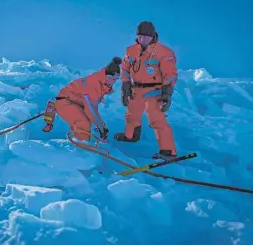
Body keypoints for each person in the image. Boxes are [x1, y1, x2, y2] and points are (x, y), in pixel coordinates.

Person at [114, 21, 178, 159]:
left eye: (146, 37)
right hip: (136, 89)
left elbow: (170, 73)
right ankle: (131, 136)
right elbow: (125, 69)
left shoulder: (164, 52)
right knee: (132, 115)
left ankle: (168, 151)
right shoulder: (130, 51)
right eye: (141, 36)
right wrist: (125, 87)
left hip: (155, 90)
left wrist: (167, 93)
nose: (143, 40)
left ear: (153, 36)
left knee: (156, 118)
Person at [51, 57, 122, 143]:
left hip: (73, 103)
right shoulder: (94, 84)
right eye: (112, 78)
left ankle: (78, 141)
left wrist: (101, 126)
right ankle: (81, 146)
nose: (113, 82)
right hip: (65, 102)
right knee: (83, 122)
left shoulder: (100, 85)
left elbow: (91, 108)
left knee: (82, 122)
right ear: (105, 75)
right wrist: (101, 127)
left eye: (115, 80)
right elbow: (91, 109)